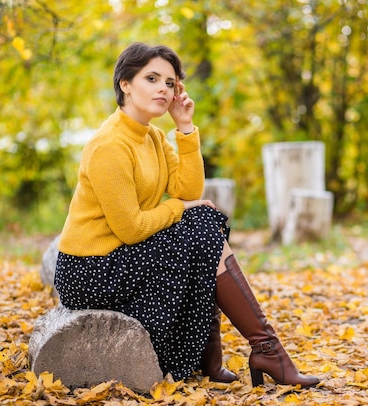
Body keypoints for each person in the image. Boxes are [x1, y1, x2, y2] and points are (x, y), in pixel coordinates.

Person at [54, 42, 319, 388]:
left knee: (204, 225)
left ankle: (242, 352)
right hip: (89, 270)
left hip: (120, 256)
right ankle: (262, 350)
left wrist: (185, 129)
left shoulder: (152, 136)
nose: (163, 89)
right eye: (151, 78)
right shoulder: (110, 145)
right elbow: (133, 228)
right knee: (202, 228)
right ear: (125, 84)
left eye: (169, 82)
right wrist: (178, 209)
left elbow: (189, 190)